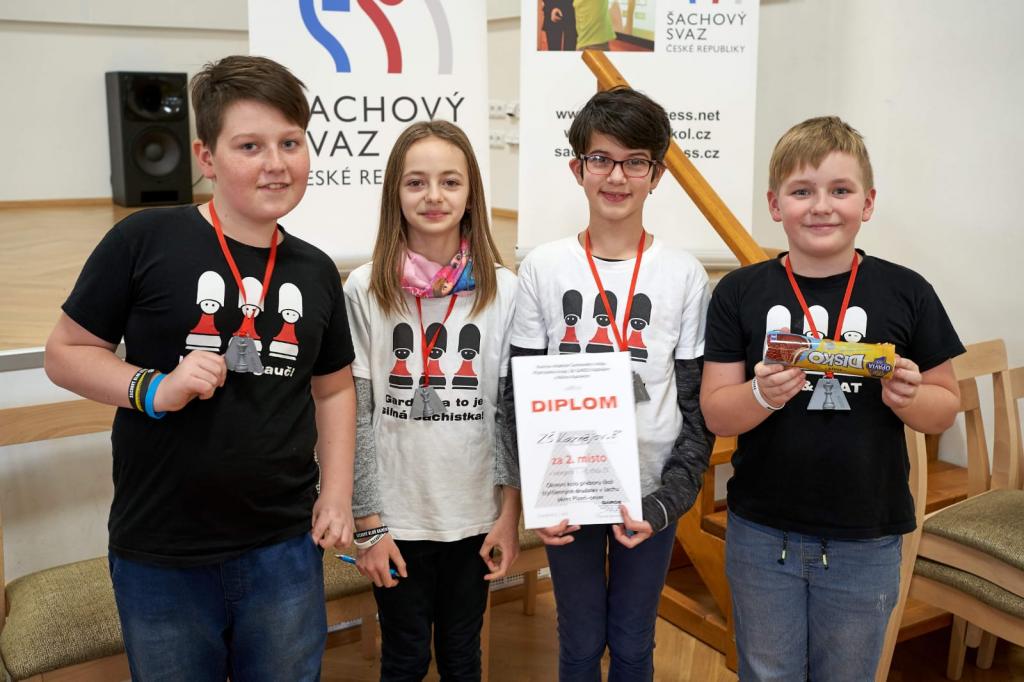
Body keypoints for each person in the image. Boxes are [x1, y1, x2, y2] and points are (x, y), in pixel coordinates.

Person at [44, 55, 356, 680]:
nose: (276, 163)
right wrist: (153, 387)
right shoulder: (144, 240)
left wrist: (338, 493)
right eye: (250, 146)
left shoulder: (317, 270)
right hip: (162, 553)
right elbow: (65, 353)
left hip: (284, 547)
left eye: (290, 142)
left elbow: (333, 391)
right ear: (206, 157)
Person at [700, 116, 964, 681]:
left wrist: (909, 398)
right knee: (766, 671)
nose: (821, 206)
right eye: (802, 191)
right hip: (761, 532)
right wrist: (760, 394)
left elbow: (945, 403)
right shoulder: (739, 292)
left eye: (840, 190)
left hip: (867, 535)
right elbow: (716, 411)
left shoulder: (907, 290)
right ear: (775, 205)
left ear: (867, 203)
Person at [505, 86, 712, 680]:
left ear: (657, 174)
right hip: (567, 489)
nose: (617, 176)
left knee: (632, 642)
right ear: (578, 169)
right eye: (601, 159)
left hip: (648, 491)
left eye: (635, 162)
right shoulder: (543, 268)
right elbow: (517, 394)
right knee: (578, 641)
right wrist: (538, 497)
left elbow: (695, 407)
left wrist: (667, 502)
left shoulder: (684, 275)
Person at [344, 120, 520, 681]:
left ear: (471, 195)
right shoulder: (364, 287)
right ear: (395, 194)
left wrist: (509, 515)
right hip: (397, 517)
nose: (434, 196)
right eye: (416, 182)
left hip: (475, 514)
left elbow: (510, 413)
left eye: (450, 181)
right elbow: (354, 415)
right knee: (404, 656)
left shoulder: (504, 289)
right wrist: (369, 524)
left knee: (463, 656)